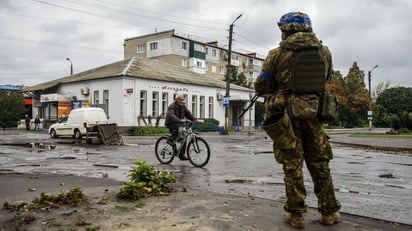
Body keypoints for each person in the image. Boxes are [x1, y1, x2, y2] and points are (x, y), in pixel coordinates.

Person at [254, 12, 341, 229]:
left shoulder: (276, 54)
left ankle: (296, 215)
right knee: (320, 164)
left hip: (285, 117)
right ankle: (329, 213)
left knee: (293, 166)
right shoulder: (324, 52)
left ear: (285, 30)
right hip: (314, 115)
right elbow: (327, 78)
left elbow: (262, 86)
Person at [165, 93, 196, 160]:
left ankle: (181, 155)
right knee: (177, 128)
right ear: (176, 99)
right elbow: (171, 115)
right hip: (171, 123)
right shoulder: (172, 106)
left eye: (183, 100)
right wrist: (179, 120)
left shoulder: (183, 106)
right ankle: (170, 141)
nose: (182, 101)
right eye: (181, 100)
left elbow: (188, 114)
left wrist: (194, 119)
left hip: (179, 123)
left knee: (184, 137)